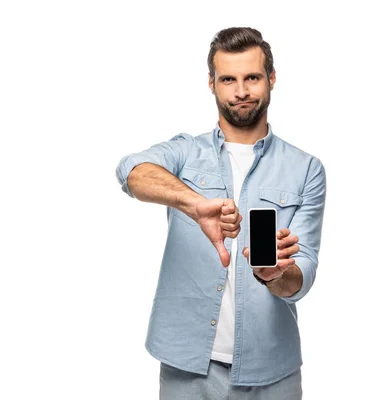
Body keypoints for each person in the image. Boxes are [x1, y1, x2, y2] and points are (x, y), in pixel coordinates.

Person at [115, 27, 326, 399]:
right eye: (228, 79)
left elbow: (303, 273)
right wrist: (194, 203)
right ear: (211, 83)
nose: (241, 91)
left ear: (271, 79)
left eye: (252, 78)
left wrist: (276, 275)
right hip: (187, 365)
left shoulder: (305, 168)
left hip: (273, 369)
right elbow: (132, 172)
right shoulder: (184, 153)